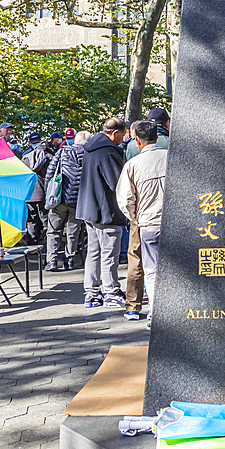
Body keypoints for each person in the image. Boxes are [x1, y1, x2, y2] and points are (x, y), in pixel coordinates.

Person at [116, 119, 167, 329]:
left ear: (137, 140)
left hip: (148, 225)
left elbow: (124, 199)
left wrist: (135, 217)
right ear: (157, 136)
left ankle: (155, 315)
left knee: (152, 271)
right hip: (174, 224)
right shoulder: (171, 158)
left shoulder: (132, 165)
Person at [76, 117, 127, 308]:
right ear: (115, 133)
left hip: (89, 209)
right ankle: (111, 292)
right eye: (123, 134)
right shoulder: (108, 152)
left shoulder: (90, 148)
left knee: (94, 252)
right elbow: (118, 184)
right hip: (106, 211)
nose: (124, 138)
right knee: (109, 253)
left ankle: (91, 293)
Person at [43, 130, 92, 271]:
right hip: (79, 200)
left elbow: (50, 173)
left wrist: (49, 193)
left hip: (60, 198)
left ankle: (52, 260)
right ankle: (70, 259)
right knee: (73, 231)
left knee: (53, 230)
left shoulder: (62, 152)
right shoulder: (89, 155)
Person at [21, 135, 58, 245]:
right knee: (46, 218)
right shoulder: (50, 157)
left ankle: (33, 243)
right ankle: (48, 243)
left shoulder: (26, 157)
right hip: (44, 193)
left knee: (32, 219)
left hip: (29, 194)